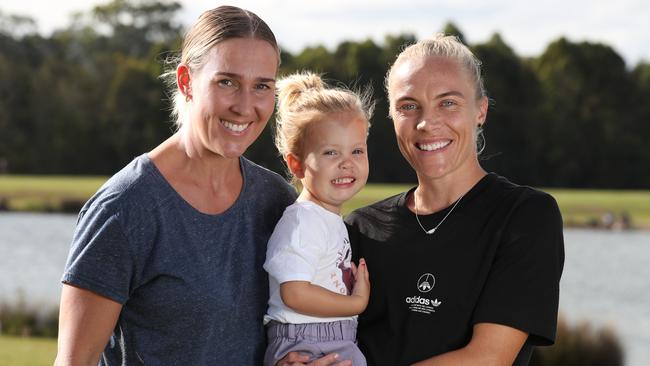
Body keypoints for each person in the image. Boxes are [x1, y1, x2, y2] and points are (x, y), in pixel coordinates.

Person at [54, 6, 297, 365]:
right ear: (186, 82)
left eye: (261, 86)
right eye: (226, 82)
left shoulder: (277, 200)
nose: (245, 106)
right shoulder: (124, 208)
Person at [343, 34, 566, 365]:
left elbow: (488, 358)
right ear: (392, 117)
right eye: (408, 106)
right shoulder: (359, 228)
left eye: (448, 103)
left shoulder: (525, 216)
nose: (426, 123)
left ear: (481, 111)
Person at [263, 72, 372, 366]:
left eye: (357, 151)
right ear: (297, 164)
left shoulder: (327, 218)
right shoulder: (303, 221)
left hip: (330, 337)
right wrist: (355, 303)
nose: (346, 162)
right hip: (309, 343)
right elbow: (294, 292)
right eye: (330, 152)